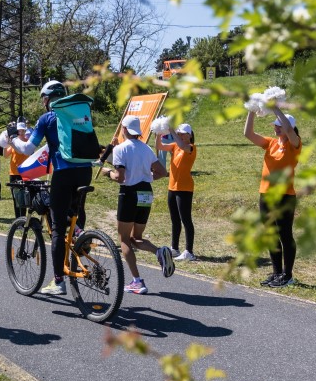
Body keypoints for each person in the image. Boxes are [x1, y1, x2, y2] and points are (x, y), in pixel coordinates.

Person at [16, 81, 95, 296]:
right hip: (85, 170)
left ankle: (58, 281)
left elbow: (27, 148)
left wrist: (13, 137)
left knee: (58, 228)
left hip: (64, 171)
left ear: (47, 99)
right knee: (74, 214)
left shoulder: (47, 119)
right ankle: (80, 237)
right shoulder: (78, 114)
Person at [102, 115, 176, 295]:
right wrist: (148, 177)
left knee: (125, 240)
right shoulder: (146, 148)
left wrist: (107, 173)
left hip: (129, 193)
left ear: (125, 130)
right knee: (137, 237)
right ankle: (159, 252)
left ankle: (137, 281)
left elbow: (120, 177)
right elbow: (163, 171)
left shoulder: (120, 149)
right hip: (146, 192)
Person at [244, 106, 302, 287]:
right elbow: (248, 133)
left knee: (285, 235)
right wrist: (251, 110)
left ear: (287, 127)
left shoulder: (295, 144)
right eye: (275, 125)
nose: (276, 128)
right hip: (265, 194)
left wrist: (276, 108)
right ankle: (277, 273)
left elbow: (291, 132)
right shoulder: (271, 143)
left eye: (279, 125)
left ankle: (288, 275)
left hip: (284, 196)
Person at [157, 123, 197, 261]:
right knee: (175, 219)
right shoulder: (175, 145)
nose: (180, 135)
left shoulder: (191, 148)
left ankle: (189, 251)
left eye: (183, 133)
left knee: (186, 219)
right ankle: (174, 248)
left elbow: (182, 146)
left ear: (190, 135)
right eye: (179, 133)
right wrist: (158, 132)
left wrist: (171, 130)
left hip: (184, 188)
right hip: (172, 187)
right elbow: (159, 146)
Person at [5, 122, 30, 219]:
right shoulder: (14, 142)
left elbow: (21, 151)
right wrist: (4, 144)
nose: (21, 132)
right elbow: (5, 155)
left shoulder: (27, 142)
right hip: (13, 172)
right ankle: (17, 219)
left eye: (23, 130)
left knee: (23, 197)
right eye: (19, 131)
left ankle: (22, 219)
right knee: (15, 197)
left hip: (23, 173)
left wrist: (12, 144)